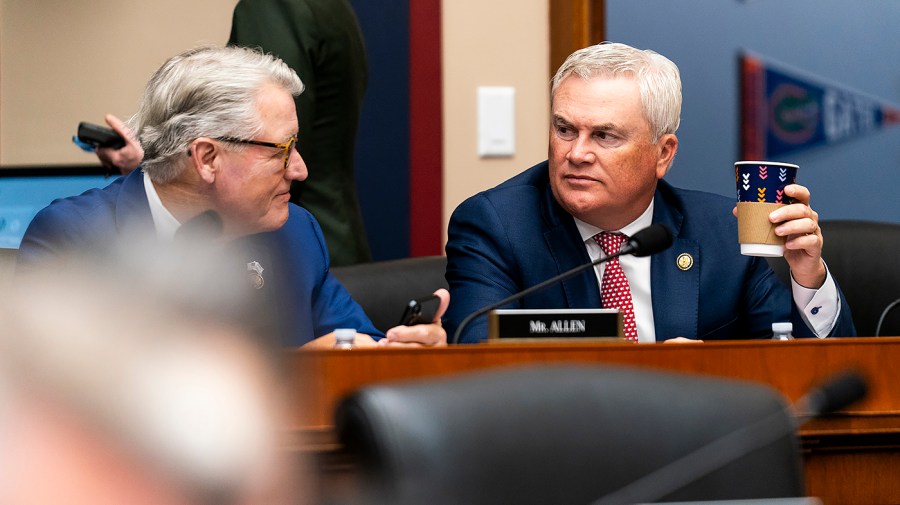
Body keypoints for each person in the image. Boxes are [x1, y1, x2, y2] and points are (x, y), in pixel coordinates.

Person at [18, 45, 447, 349]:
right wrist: (293, 374)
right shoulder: (74, 240)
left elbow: (356, 345)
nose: (299, 169)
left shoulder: (295, 233)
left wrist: (401, 351)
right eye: (282, 150)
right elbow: (62, 408)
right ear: (207, 158)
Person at [444, 42, 855, 344]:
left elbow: (806, 373)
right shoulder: (497, 227)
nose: (576, 153)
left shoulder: (721, 233)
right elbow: (480, 365)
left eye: (604, 135)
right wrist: (659, 376)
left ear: (663, 154)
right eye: (565, 129)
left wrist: (808, 277)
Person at [99, 0, 373, 267]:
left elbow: (270, 138)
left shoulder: (272, 6)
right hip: (335, 230)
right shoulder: (332, 6)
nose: (299, 169)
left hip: (283, 246)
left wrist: (157, 165)